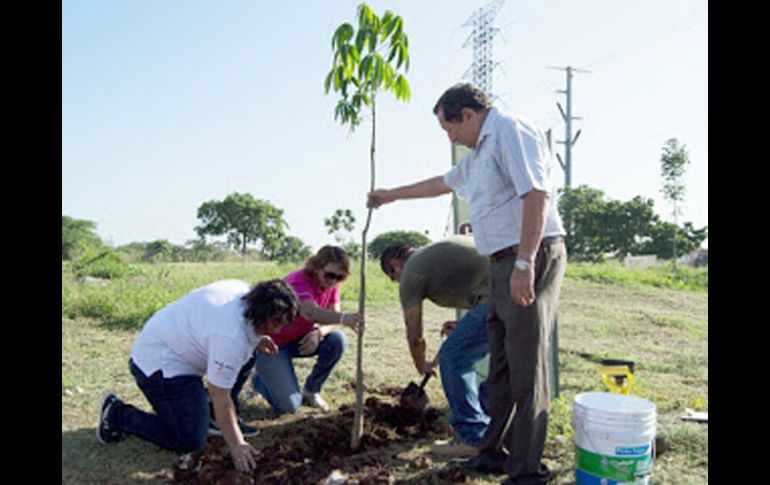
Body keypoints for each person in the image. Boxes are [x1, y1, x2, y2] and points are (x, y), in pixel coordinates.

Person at [368, 83, 567, 484]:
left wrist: (525, 264)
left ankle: (527, 469)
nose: (450, 136)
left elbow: (537, 195)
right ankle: (493, 451)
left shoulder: (511, 130)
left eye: (449, 127)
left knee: (526, 368)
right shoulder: (476, 156)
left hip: (528, 254)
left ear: (468, 115)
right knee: (501, 362)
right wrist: (391, 196)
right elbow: (439, 184)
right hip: (497, 262)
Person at [96, 279, 300, 473]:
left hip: (176, 339)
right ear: (261, 311)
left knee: (246, 355)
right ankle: (117, 414)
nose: (278, 330)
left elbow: (222, 330)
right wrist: (237, 445)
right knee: (189, 440)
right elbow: (220, 394)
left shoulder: (245, 293)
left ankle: (211, 415)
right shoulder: (230, 337)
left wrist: (257, 338)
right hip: (160, 363)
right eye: (275, 322)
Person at [379, 235, 490, 458]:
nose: (398, 282)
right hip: (515, 289)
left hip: (497, 299)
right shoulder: (432, 253)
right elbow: (479, 280)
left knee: (453, 358)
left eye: (393, 278)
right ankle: (493, 431)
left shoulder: (412, 271)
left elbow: (415, 335)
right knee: (499, 364)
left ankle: (471, 438)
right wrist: (465, 326)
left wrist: (422, 365)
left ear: (395, 265)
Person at [251, 246, 361, 414]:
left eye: (340, 277)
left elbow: (333, 316)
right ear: (317, 267)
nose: (333, 280)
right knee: (289, 407)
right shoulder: (298, 281)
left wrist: (319, 332)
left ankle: (312, 391)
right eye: (330, 274)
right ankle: (259, 380)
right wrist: (344, 318)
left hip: (300, 340)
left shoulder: (332, 285)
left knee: (337, 340)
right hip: (272, 344)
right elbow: (310, 312)